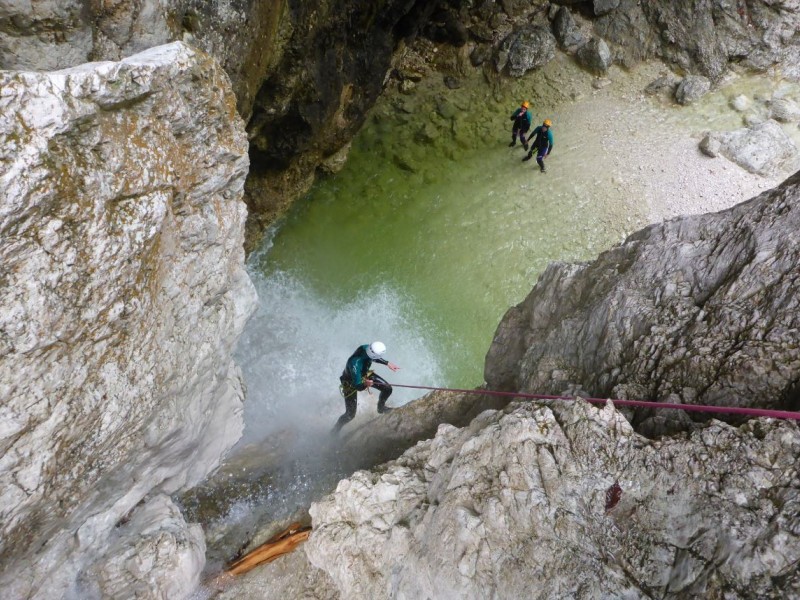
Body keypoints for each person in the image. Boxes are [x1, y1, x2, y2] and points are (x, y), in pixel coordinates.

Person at [332, 341, 400, 433]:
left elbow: (373, 358)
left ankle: (381, 408)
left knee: (387, 388)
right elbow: (358, 386)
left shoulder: (367, 348)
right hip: (351, 383)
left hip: (364, 374)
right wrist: (366, 384)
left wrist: (387, 363)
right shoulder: (355, 364)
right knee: (350, 415)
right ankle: (335, 429)